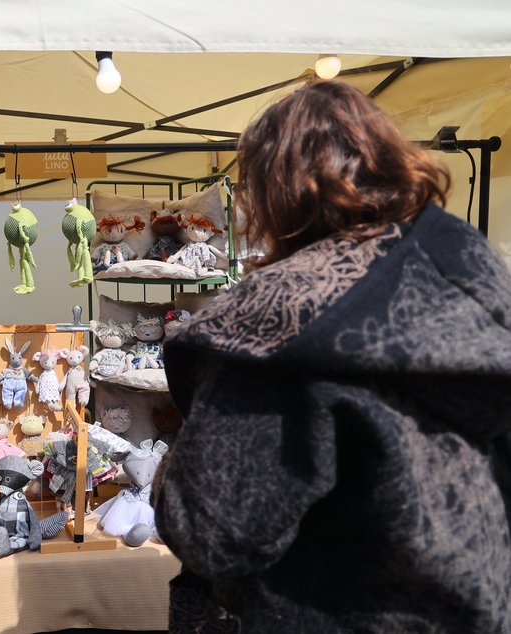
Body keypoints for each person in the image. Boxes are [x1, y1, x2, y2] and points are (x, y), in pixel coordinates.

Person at [152, 80, 511, 633]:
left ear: (271, 193)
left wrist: (167, 473)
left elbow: (211, 532)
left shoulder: (274, 326)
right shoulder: (474, 277)